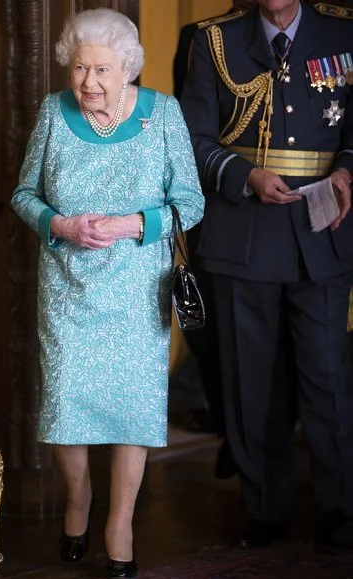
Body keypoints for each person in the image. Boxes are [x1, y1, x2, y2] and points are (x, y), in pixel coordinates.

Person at [11, 8, 204, 579]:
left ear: (129, 68)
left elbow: (190, 202)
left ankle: (119, 522)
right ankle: (78, 498)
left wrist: (130, 225)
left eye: (100, 70)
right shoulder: (53, 111)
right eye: (77, 69)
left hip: (137, 288)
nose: (87, 83)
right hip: (68, 286)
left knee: (131, 410)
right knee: (66, 403)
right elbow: (24, 195)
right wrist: (62, 226)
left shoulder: (163, 113)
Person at [181, 0, 353, 553]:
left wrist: (348, 167)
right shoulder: (211, 40)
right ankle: (263, 508)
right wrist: (245, 174)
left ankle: (342, 508)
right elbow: (195, 140)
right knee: (251, 378)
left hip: (324, 226)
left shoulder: (343, 29)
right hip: (244, 229)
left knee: (328, 376)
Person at [171, 0, 258, 479]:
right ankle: (230, 432)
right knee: (210, 331)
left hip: (286, 212)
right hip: (212, 207)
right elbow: (191, 133)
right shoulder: (201, 37)